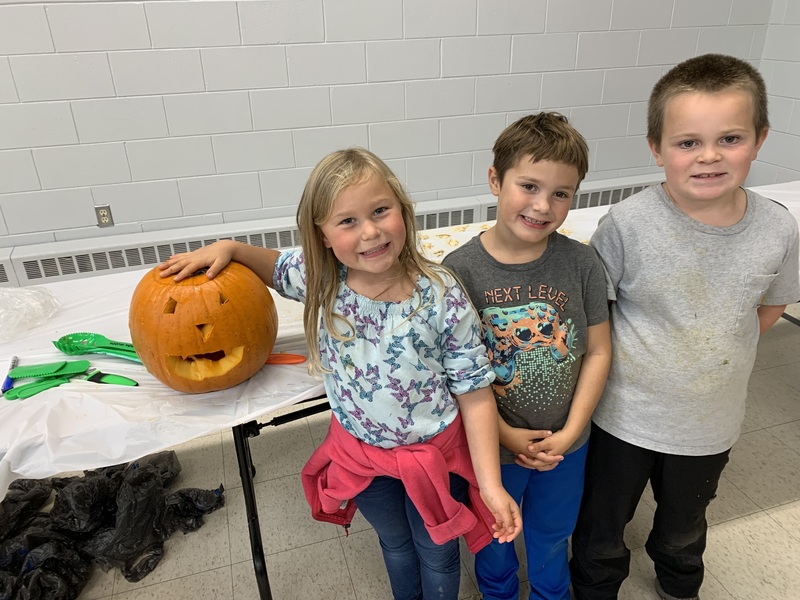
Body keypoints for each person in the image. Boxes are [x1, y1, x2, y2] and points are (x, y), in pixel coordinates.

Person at [159, 147, 521, 600]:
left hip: (434, 459)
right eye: (347, 221)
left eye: (380, 210)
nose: (370, 231)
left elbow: (475, 392)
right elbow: (274, 266)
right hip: (361, 458)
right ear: (323, 235)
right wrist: (230, 248)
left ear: (402, 210)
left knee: (438, 551)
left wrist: (490, 483)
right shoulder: (321, 279)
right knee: (395, 544)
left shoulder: (441, 293)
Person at [568, 53, 800, 600]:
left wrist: (713, 348)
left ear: (760, 140)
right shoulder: (626, 224)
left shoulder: (778, 227)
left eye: (730, 138)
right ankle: (595, 587)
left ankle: (679, 584)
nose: (709, 156)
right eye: (688, 142)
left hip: (709, 425)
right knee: (602, 524)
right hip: (622, 418)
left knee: (684, 526)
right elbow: (595, 319)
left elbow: (770, 307)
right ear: (657, 148)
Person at [442, 112, 612, 600]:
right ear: (495, 180)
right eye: (529, 186)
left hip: (566, 445)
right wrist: (505, 434)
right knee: (494, 535)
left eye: (561, 193)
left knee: (553, 534)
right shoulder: (457, 272)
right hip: (491, 449)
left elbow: (598, 351)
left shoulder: (582, 263)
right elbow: (454, 376)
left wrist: (571, 432)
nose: (542, 205)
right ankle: (497, 594)